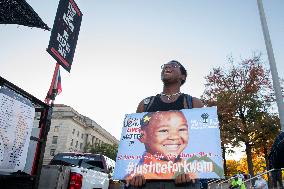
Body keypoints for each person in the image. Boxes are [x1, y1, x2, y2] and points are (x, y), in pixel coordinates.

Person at [126, 60, 203, 189]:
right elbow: (133, 142)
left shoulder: (193, 103)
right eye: (163, 130)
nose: (173, 136)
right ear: (143, 135)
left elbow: (201, 141)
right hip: (145, 183)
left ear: (182, 77)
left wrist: (189, 169)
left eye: (174, 65)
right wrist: (136, 173)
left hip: (185, 184)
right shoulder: (145, 104)